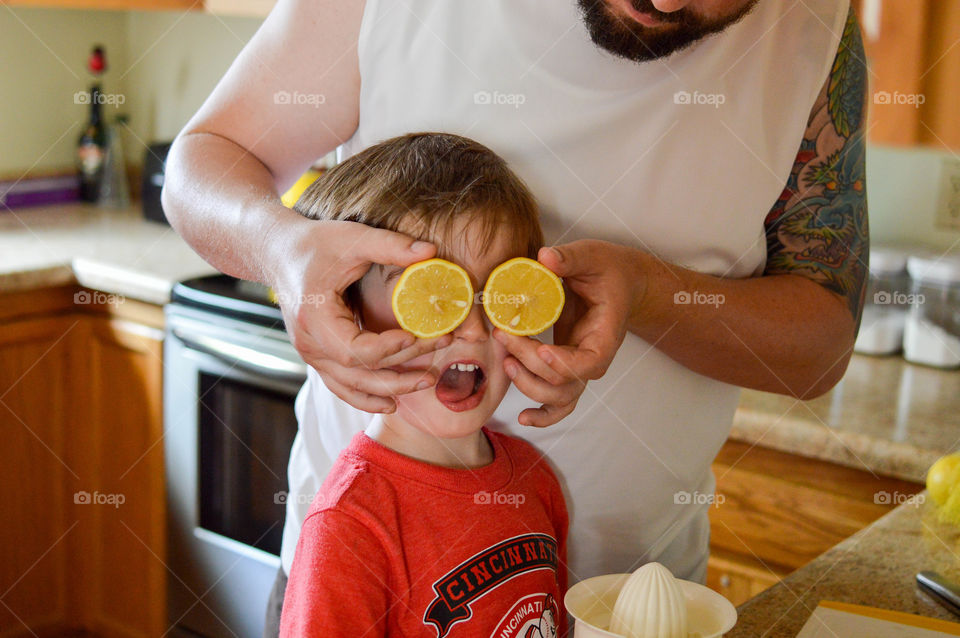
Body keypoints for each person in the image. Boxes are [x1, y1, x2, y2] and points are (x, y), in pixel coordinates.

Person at [161, 0, 868, 635]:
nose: (667, 1)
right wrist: (282, 248)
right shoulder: (351, 532)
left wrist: (650, 293)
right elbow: (205, 162)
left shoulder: (818, 28)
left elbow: (821, 345)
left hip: (641, 607)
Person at [278, 132, 568, 638]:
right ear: (349, 317)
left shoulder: (537, 481)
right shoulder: (351, 526)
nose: (473, 329)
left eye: (496, 292)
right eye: (434, 294)